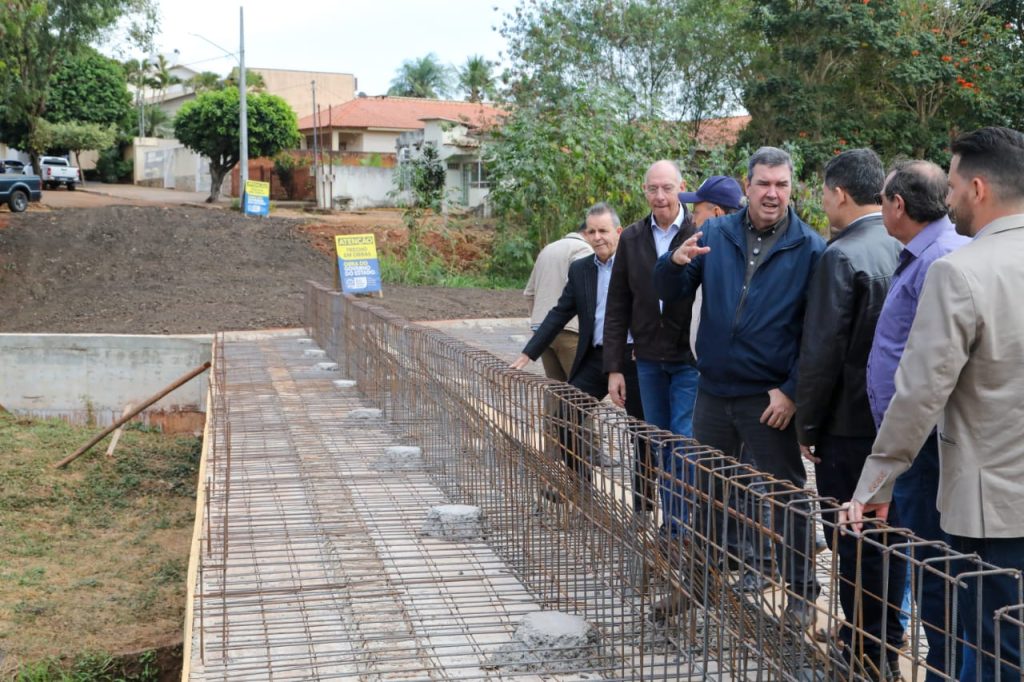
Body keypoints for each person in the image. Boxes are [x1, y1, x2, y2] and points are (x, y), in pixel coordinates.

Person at [845, 126, 1024, 682]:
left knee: (992, 650)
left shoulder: (961, 271)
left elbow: (920, 391)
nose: (947, 201)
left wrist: (876, 484)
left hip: (991, 506)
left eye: (950, 186)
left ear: (977, 187)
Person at [654, 146, 826, 627]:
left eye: (782, 184)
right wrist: (673, 264)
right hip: (714, 388)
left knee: (786, 492)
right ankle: (701, 581)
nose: (772, 193)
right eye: (764, 183)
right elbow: (670, 295)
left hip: (768, 398)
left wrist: (791, 390)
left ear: (791, 188)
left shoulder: (809, 249)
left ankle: (802, 593)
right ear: (746, 186)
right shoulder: (714, 233)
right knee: (707, 485)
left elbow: (818, 333)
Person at [794, 149, 904, 679]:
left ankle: (861, 648)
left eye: (823, 191)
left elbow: (821, 353)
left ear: (838, 193)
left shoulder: (841, 256)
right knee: (892, 539)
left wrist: (807, 424)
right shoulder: (901, 244)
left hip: (845, 424)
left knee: (851, 540)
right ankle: (890, 635)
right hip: (893, 422)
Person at [866, 159, 969, 681]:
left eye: (882, 200)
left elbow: (930, 370)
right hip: (915, 440)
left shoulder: (941, 262)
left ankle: (944, 669)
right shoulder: (926, 254)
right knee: (926, 559)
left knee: (934, 565)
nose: (880, 208)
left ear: (898, 205)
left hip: (924, 443)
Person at [512, 203, 649, 505]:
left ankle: (643, 503)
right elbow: (559, 313)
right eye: (592, 231)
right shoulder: (581, 270)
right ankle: (582, 485)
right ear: (585, 234)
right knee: (565, 417)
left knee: (639, 432)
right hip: (596, 356)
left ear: (619, 232)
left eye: (604, 231)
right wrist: (526, 355)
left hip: (633, 358)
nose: (598, 237)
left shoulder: (638, 264)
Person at [603, 160, 700, 540]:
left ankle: (686, 524)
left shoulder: (699, 231)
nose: (660, 197)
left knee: (683, 442)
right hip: (646, 357)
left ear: (681, 188)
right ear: (643, 191)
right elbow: (618, 304)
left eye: (667, 188)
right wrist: (614, 367)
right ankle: (673, 526)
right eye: (652, 189)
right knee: (659, 443)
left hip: (688, 357)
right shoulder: (631, 238)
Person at [523, 223, 593, 382]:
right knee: (581, 390)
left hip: (542, 331)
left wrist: (539, 323)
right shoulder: (584, 250)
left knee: (556, 390)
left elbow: (529, 293)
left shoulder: (547, 250)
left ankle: (552, 409)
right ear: (587, 232)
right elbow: (582, 290)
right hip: (570, 330)